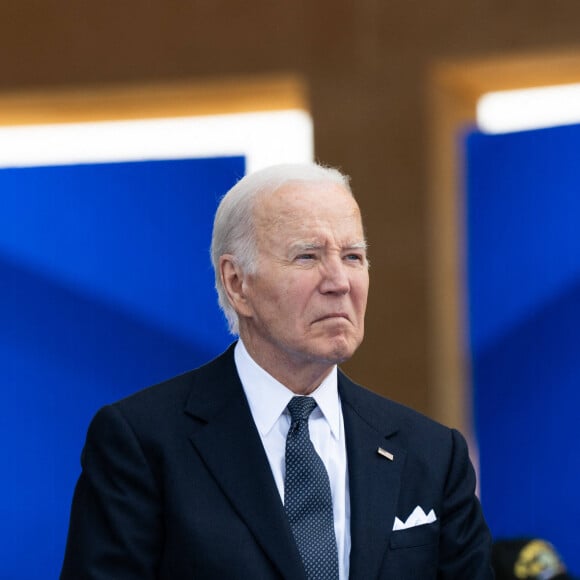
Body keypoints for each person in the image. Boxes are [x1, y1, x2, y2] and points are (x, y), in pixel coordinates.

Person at [61, 163, 494, 579]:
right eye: (307, 257)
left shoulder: (433, 454)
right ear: (237, 283)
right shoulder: (141, 444)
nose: (339, 281)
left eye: (353, 256)